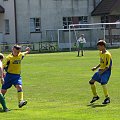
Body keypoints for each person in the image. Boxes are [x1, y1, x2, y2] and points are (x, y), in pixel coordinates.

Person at [89, 40, 112, 104]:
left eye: (99, 47)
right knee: (91, 82)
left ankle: (107, 98)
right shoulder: (101, 53)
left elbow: (108, 66)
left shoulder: (108, 55)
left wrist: (102, 71)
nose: (98, 48)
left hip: (106, 71)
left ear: (103, 46)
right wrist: (96, 68)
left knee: (103, 83)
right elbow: (101, 63)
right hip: (100, 71)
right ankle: (95, 96)